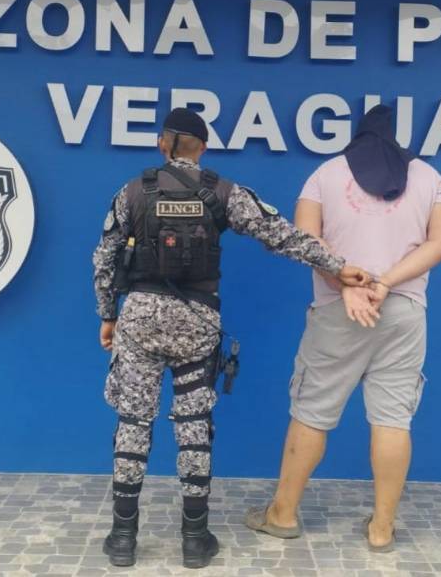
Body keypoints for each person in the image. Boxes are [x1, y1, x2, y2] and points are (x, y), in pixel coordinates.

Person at [92, 107, 370, 569]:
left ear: (162, 143)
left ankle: (123, 537)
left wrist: (108, 314)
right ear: (202, 148)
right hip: (197, 322)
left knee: (133, 421)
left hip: (138, 320)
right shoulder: (222, 192)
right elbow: (280, 234)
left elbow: (104, 258)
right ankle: (194, 539)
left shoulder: (133, 192)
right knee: (194, 425)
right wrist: (339, 267)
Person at [244, 104, 441, 552]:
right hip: (403, 311)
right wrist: (386, 282)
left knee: (312, 411)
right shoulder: (429, 177)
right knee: (393, 419)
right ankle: (382, 528)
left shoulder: (325, 174)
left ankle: (282, 514)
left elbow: (305, 241)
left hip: (337, 310)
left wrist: (345, 282)